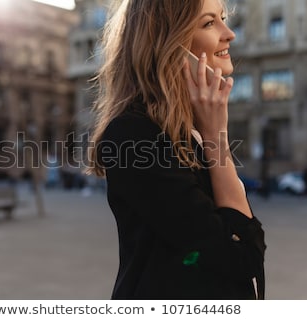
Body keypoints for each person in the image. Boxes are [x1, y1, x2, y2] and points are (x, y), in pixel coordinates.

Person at [88, 0, 266, 299]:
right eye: (209, 23)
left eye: (223, 19)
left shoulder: (190, 131)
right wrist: (217, 138)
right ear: (169, 42)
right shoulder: (134, 135)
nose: (229, 33)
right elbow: (241, 256)